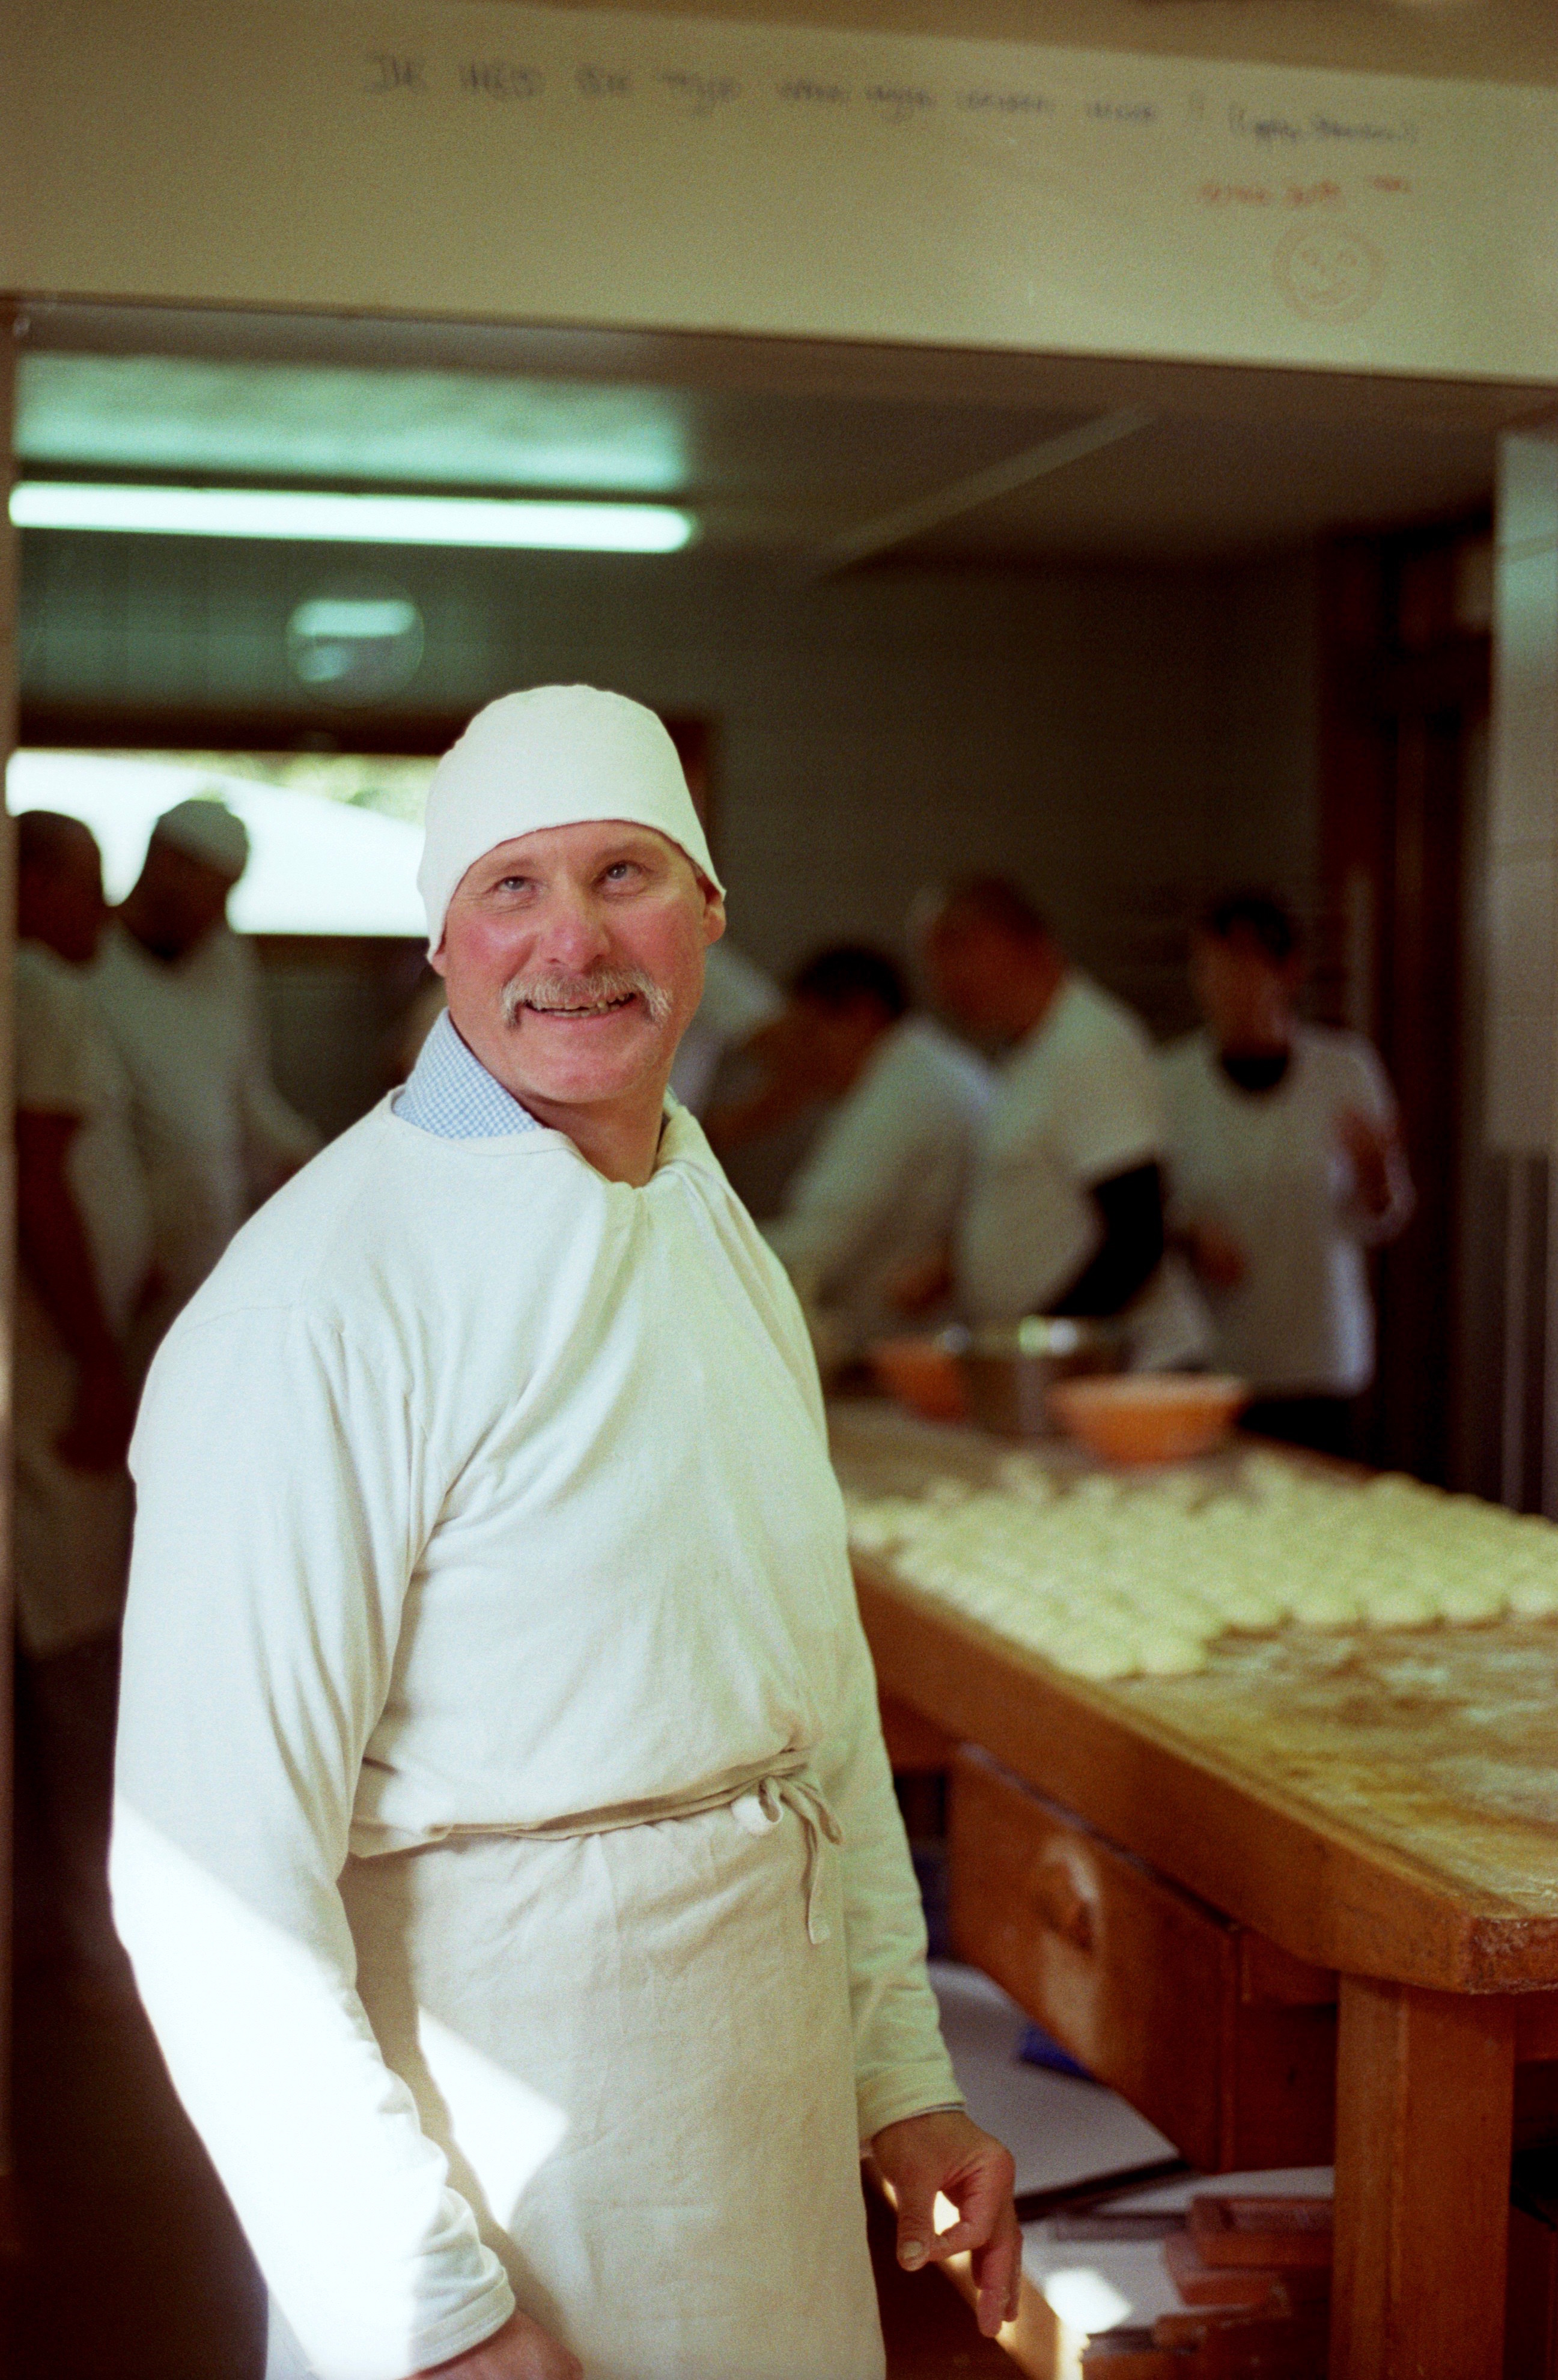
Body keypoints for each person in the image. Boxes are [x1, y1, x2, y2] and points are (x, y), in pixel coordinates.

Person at [111, 686, 1020, 2380]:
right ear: (440, 945)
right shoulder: (321, 1301)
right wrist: (428, 2310)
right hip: (504, 2185)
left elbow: (817, 1708)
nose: (574, 942)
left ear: (710, 915)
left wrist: (900, 2079)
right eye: (510, 887)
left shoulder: (704, 1219)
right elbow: (210, 1884)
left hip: (761, 2161)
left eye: (624, 873)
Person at [13, 811, 153, 1997]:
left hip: (56, 1346)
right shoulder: (39, 991)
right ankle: (94, 1928)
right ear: (27, 882)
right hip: (54, 1365)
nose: (99, 910)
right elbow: (43, 1187)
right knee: (75, 1654)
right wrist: (99, 1359)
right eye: (82, 883)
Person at [1160, 890, 1414, 1455]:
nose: (1223, 987)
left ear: (1288, 972)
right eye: (1208, 969)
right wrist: (1189, 1236)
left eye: (1241, 967)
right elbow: (1147, 1211)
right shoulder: (1168, 1081)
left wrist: (1375, 1174)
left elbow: (1385, 1213)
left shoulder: (1345, 1070)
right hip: (1215, 1357)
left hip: (1319, 1357)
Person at [920, 878, 1207, 1368]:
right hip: (1064, 1365)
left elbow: (1137, 1235)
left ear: (1014, 941)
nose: (944, 985)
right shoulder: (1031, 1050)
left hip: (1128, 1371)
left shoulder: (1088, 1044)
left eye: (954, 952)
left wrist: (1033, 1346)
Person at [90, 794, 320, 1345]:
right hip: (124, 1248)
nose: (218, 913)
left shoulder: (226, 959)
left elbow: (247, 1096)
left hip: (212, 1241)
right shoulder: (88, 957)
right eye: (212, 892)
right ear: (164, 864)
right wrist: (125, 1243)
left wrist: (311, 1165)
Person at [762, 945, 993, 1363]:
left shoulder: (908, 1092)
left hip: (914, 1350)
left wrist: (694, 1247)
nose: (804, 1054)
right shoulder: (924, 1069)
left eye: (810, 1033)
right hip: (919, 1340)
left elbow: (819, 1249)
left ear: (863, 1016)